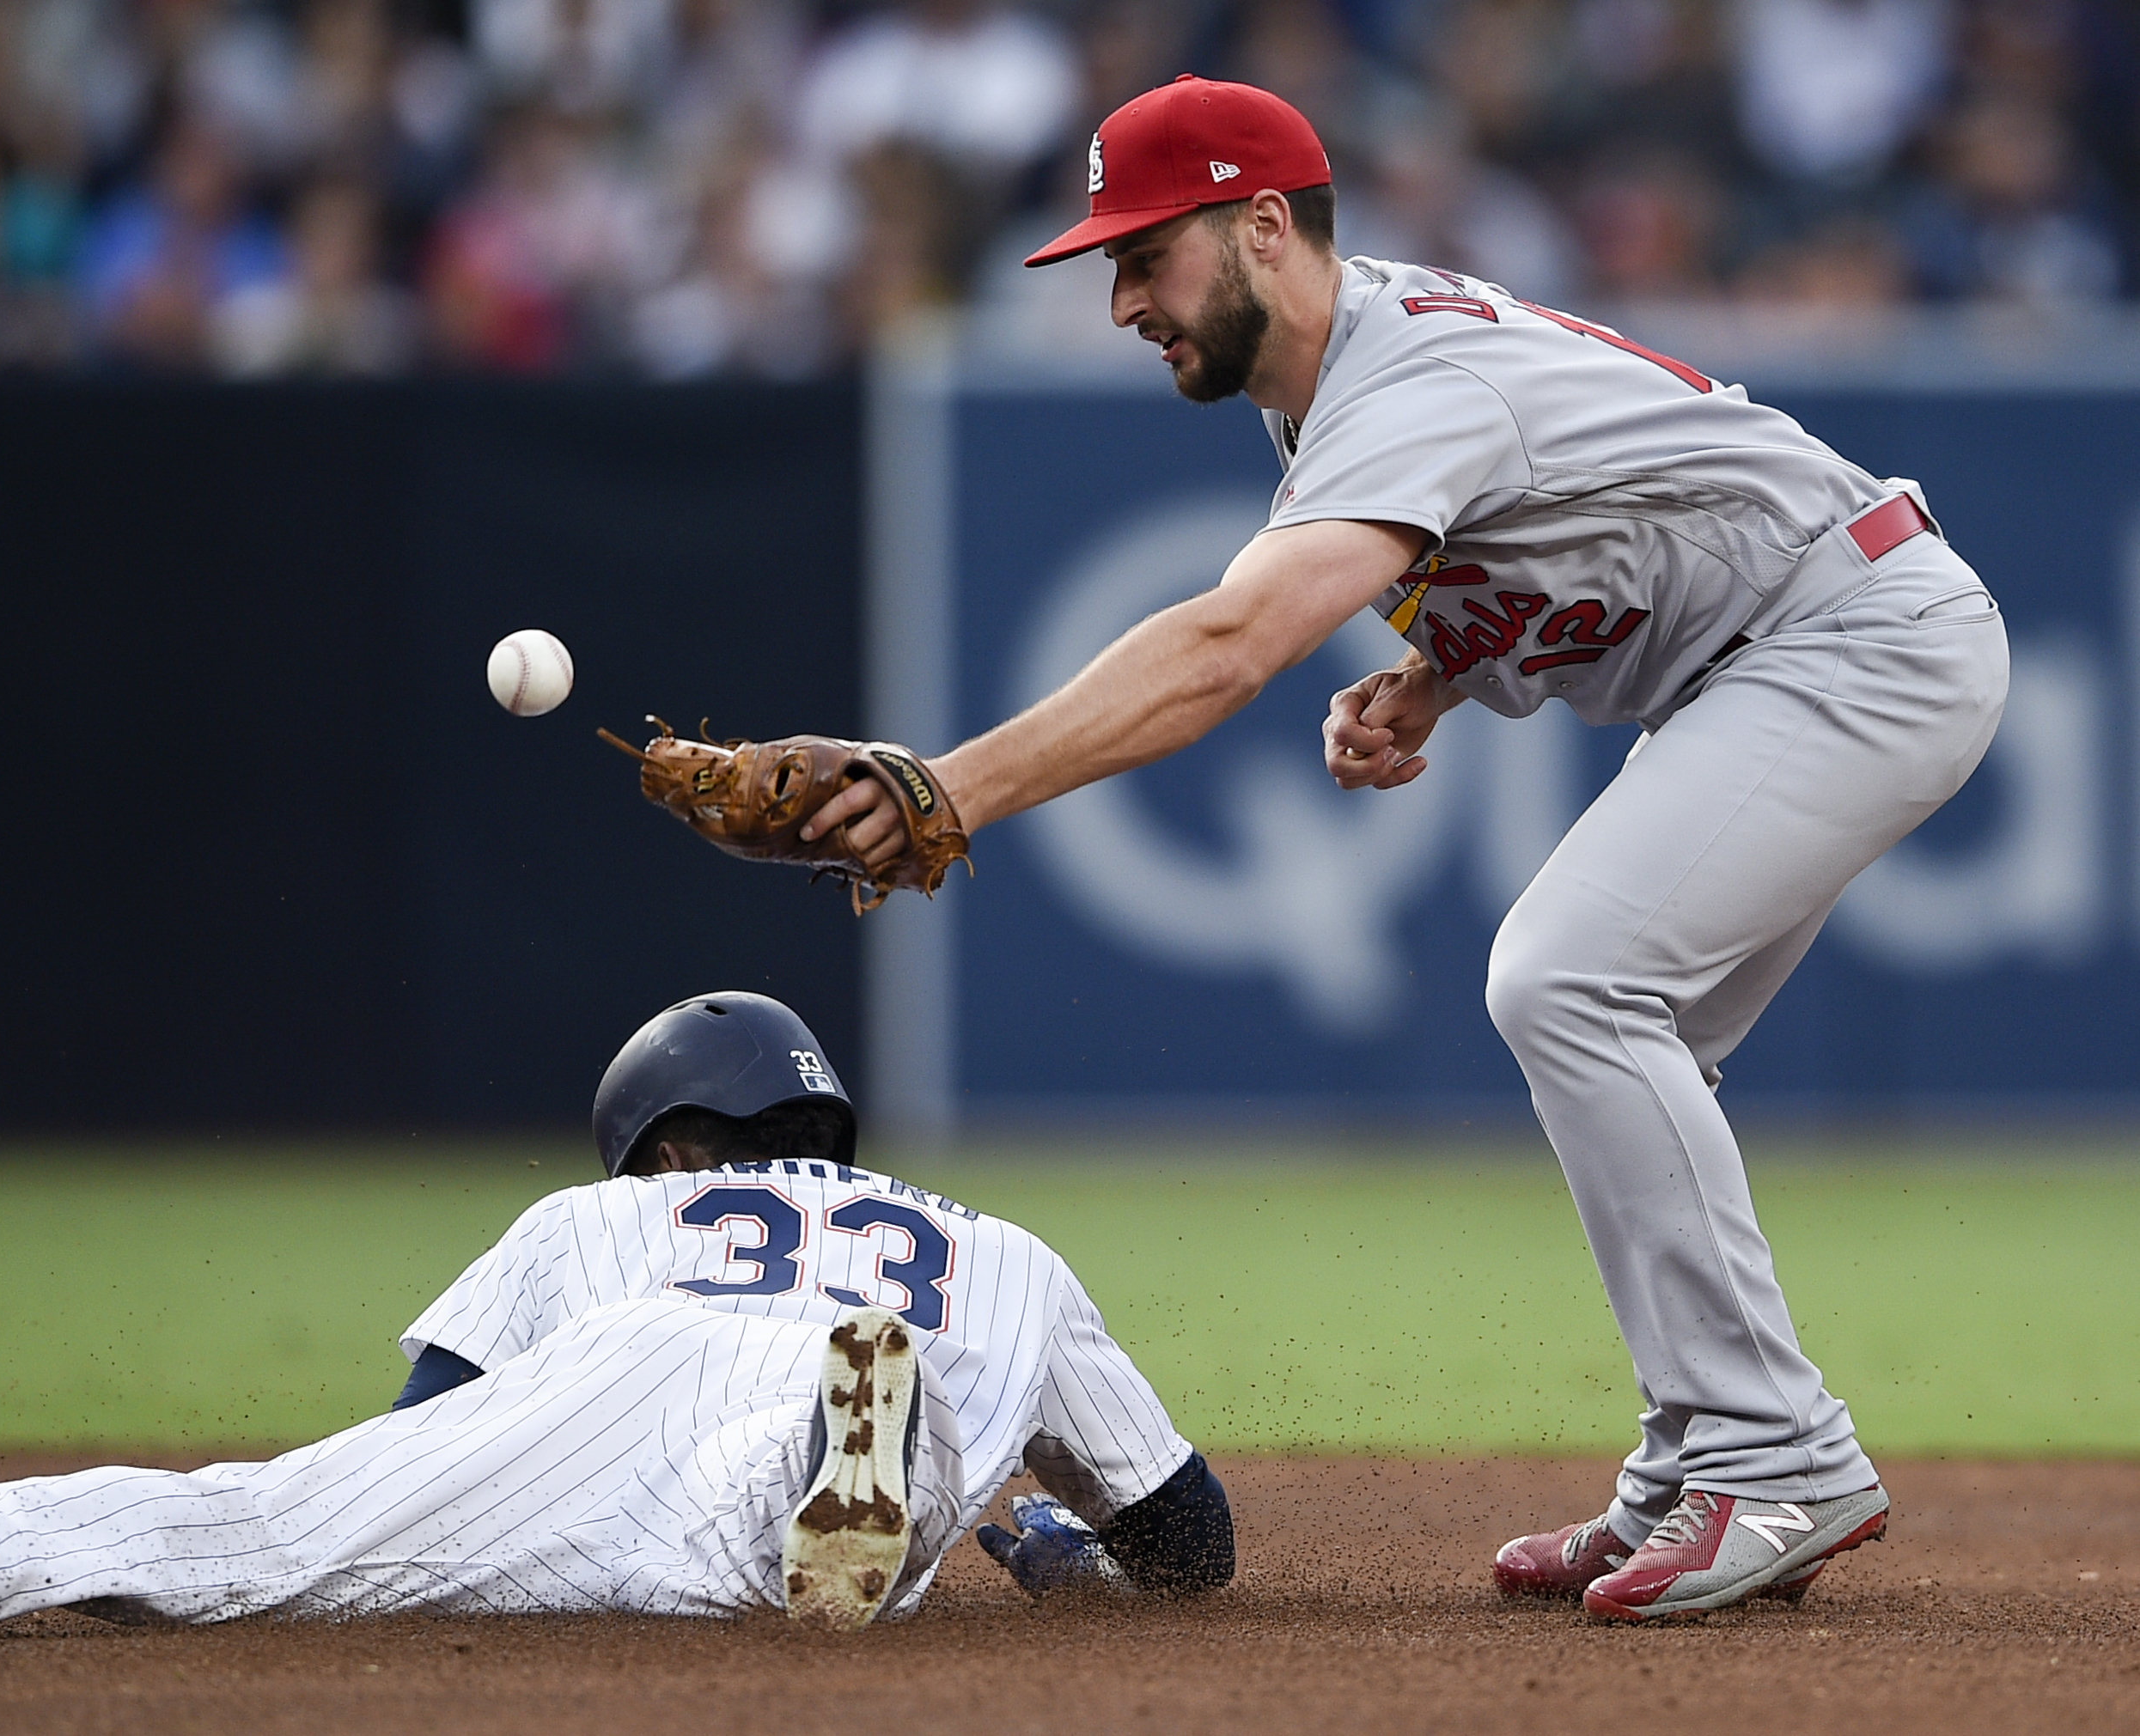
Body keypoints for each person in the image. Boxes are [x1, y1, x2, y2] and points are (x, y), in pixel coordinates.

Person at [805, 76, 2007, 1621]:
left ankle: (1771, 1452)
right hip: (1789, 646)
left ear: (1258, 226)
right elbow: (1588, 527)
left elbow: (1229, 641)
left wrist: (949, 787)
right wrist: (1434, 676)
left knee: (1566, 981)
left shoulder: (1403, 376)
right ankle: (1703, 1448)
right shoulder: (1332, 389)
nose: (1117, 300)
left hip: (1851, 635)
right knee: (1632, 1037)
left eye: (1142, 253)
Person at [0, 990, 1232, 1633]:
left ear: (675, 1147)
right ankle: (849, 1437)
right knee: (788, 1522)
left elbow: (424, 1429)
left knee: (250, 1529)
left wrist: (401, 1513)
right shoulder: (1011, 1254)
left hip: (611, 1372)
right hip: (899, 1396)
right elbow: (1193, 1541)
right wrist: (1059, 1547)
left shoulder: (602, 1212)